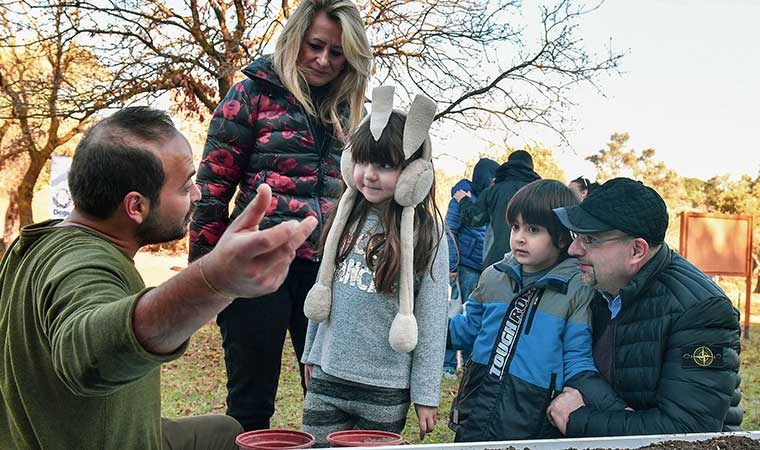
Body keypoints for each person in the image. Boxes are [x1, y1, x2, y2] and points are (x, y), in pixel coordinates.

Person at [0, 107, 318, 450]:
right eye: (185, 187)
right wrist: (214, 280)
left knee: (225, 432)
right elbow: (87, 355)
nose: (197, 195)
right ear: (135, 206)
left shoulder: (33, 243)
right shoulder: (85, 263)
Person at [188, 0, 373, 431]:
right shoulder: (250, 94)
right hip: (255, 269)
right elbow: (211, 192)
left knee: (331, 400)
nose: (323, 59)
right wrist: (205, 278)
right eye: (316, 45)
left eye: (337, 51)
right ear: (296, 39)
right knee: (250, 406)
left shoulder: (353, 111)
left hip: (327, 276)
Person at [299, 87, 448, 446]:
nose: (368, 174)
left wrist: (425, 393)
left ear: (415, 172)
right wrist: (311, 352)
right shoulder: (344, 218)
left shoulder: (429, 234)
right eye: (363, 161)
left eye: (385, 165)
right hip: (329, 374)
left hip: (385, 388)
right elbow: (324, 294)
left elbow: (432, 318)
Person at [548, 177, 743, 436]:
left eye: (590, 239)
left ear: (637, 250)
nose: (574, 249)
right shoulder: (594, 286)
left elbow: (689, 432)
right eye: (576, 236)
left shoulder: (702, 312)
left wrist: (577, 420)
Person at [447, 179, 624, 442]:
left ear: (562, 236)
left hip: (531, 422)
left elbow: (577, 359)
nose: (519, 237)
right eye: (515, 227)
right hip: (476, 411)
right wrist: (425, 330)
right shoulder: (492, 278)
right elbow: (468, 330)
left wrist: (614, 409)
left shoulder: (576, 290)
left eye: (533, 229)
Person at [443, 158, 499, 377]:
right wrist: (451, 263)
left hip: (482, 268)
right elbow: (449, 231)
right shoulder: (461, 197)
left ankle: (468, 365)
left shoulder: (487, 199)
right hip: (464, 266)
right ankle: (447, 365)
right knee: (455, 313)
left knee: (473, 317)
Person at [453, 150, 540, 268]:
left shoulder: (494, 190)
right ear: (531, 167)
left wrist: (464, 200)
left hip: (496, 260)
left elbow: (474, 219)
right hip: (532, 260)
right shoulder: (540, 192)